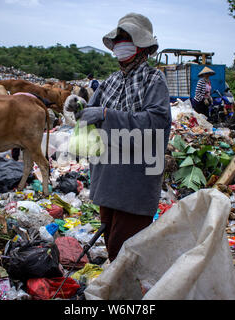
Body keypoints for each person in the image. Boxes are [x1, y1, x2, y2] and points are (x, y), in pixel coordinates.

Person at [75, 13, 171, 262]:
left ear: (142, 46)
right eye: (118, 39)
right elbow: (89, 121)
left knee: (126, 250)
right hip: (107, 179)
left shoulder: (153, 79)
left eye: (127, 38)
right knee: (112, 247)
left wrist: (107, 115)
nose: (121, 44)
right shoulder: (109, 82)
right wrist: (80, 114)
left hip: (134, 182)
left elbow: (156, 126)